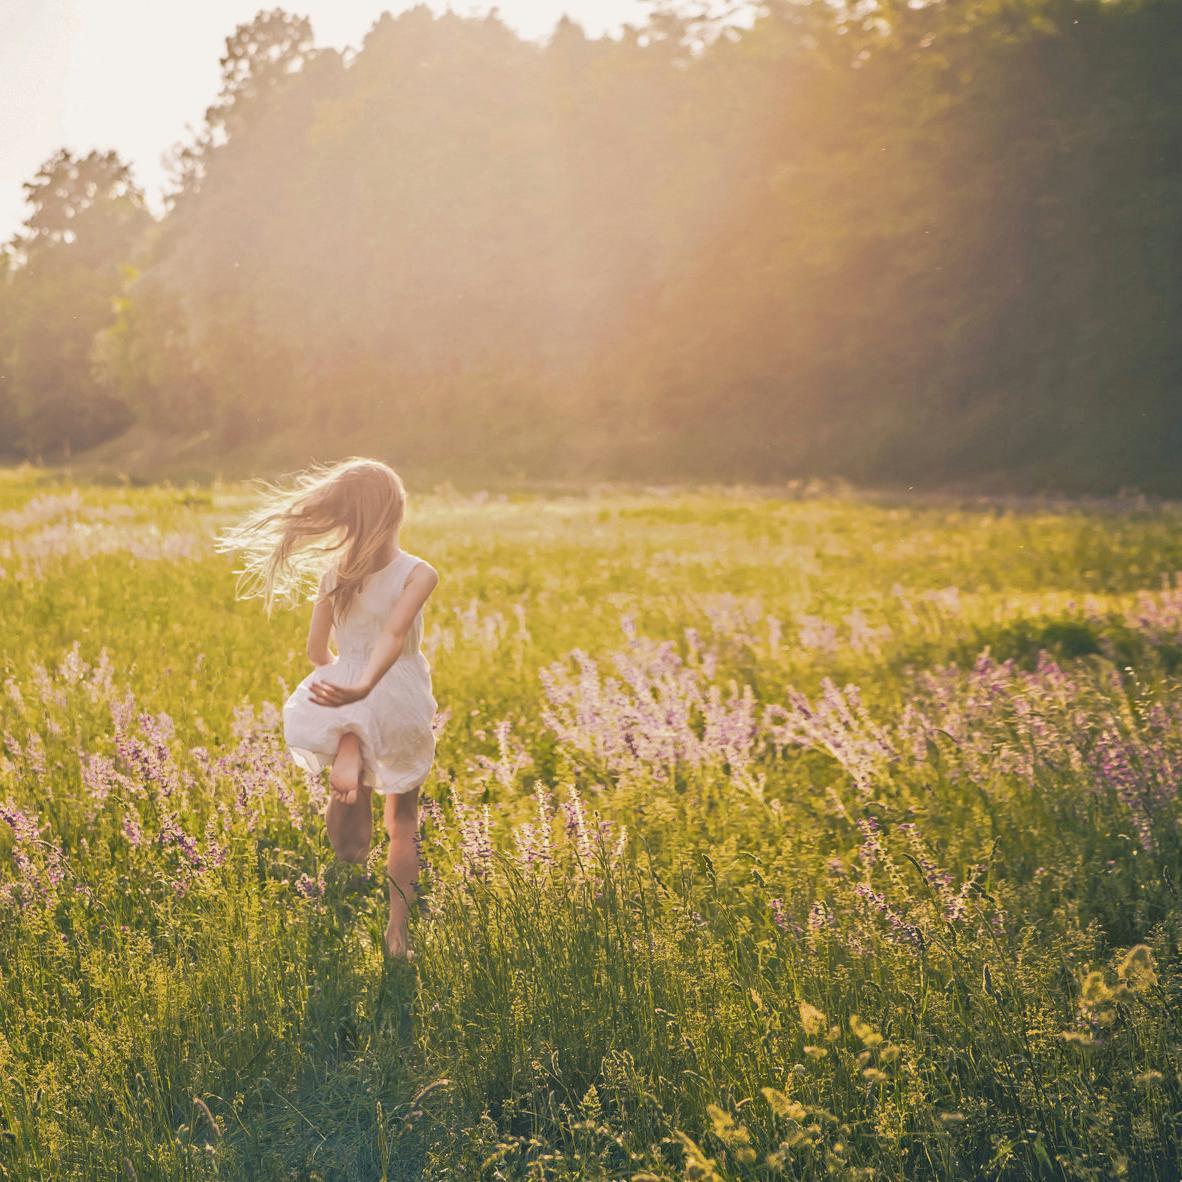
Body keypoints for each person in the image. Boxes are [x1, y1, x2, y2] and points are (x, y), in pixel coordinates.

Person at [218, 457, 438, 959]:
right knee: (404, 822)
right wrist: (366, 687)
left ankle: (350, 743)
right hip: (398, 692)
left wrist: (349, 682)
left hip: (342, 689)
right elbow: (395, 634)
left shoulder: (332, 573)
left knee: (349, 846)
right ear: (397, 511)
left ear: (344, 516)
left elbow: (317, 653)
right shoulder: (420, 573)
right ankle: (398, 936)